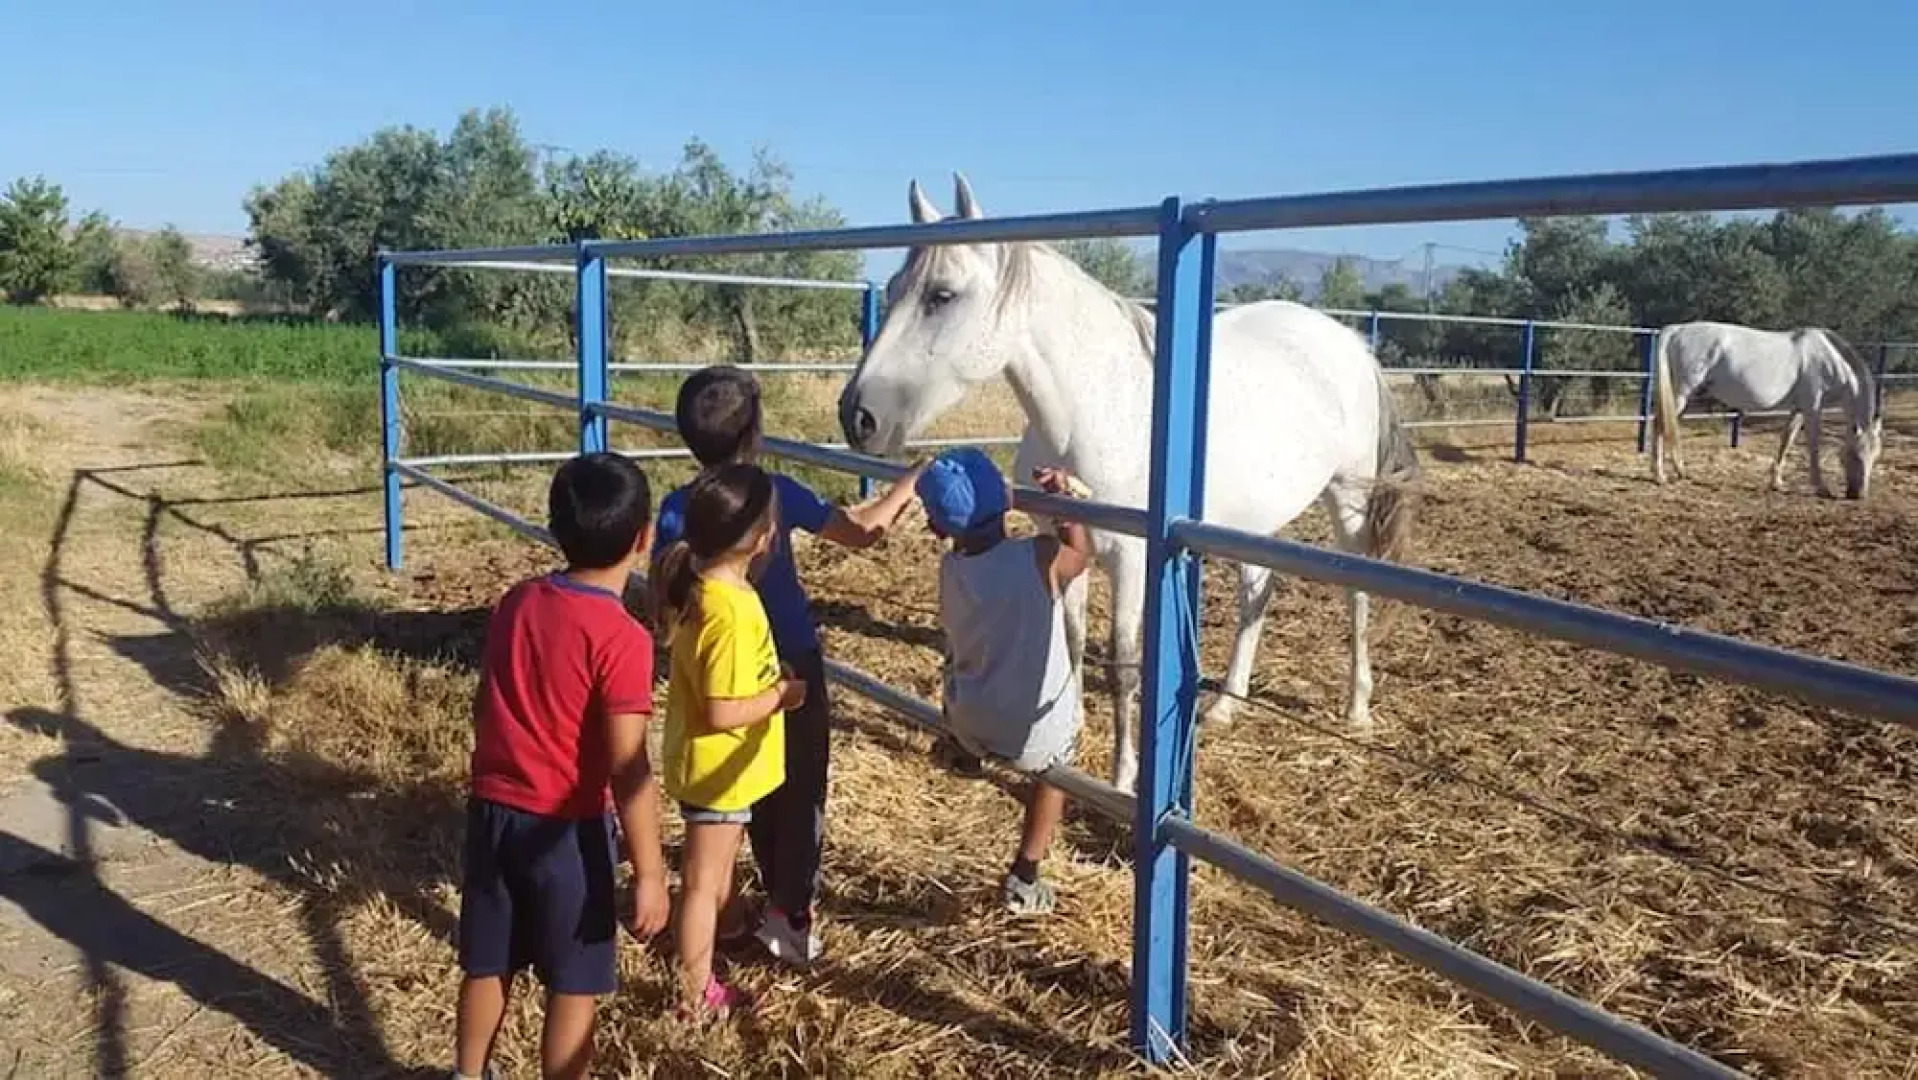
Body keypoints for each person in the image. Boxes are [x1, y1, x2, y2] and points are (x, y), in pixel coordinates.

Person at [654, 365, 927, 964]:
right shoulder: (775, 492)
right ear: (756, 431)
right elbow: (862, 532)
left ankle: (726, 912)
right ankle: (789, 914)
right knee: (800, 786)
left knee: (740, 786)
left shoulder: (678, 509)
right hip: (789, 665)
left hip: (716, 671)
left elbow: (660, 596)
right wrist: (910, 483)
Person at [453, 452, 669, 1080]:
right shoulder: (624, 638)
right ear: (644, 539)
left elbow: (484, 703)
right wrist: (651, 871)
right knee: (575, 980)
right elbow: (628, 767)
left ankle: (468, 1073)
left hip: (493, 813)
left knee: (489, 962)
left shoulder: (516, 602)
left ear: (554, 529)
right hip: (568, 831)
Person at [652, 463, 810, 1019]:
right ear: (765, 539)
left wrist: (769, 675)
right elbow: (722, 710)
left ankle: (710, 952)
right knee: (701, 881)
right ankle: (694, 994)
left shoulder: (708, 585)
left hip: (719, 769)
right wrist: (783, 697)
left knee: (714, 874)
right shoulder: (730, 610)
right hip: (720, 771)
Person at [916, 448, 1094, 914]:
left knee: (964, 664)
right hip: (1031, 732)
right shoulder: (1038, 556)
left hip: (968, 717)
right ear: (1008, 501)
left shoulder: (951, 567)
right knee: (1054, 769)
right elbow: (1081, 554)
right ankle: (1026, 874)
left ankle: (966, 752)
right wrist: (1062, 503)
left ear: (937, 528)